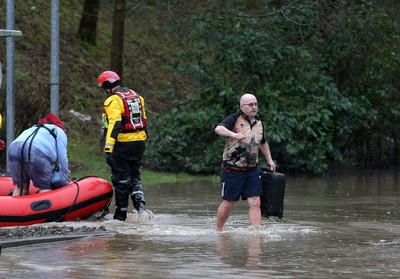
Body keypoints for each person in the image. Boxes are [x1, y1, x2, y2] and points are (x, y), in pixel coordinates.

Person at [214, 93, 276, 232]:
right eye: (250, 105)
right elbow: (218, 129)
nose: (254, 107)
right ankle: (218, 230)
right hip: (232, 168)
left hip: (252, 169)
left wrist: (269, 160)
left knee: (255, 201)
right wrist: (234, 134)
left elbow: (263, 143)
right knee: (229, 202)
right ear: (242, 106)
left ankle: (255, 232)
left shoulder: (259, 123)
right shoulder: (234, 118)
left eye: (256, 104)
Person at [97, 70, 148, 221]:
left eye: (103, 87)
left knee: (121, 179)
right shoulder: (137, 96)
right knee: (135, 176)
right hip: (139, 143)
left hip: (123, 144)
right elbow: (144, 120)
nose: (103, 91)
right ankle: (141, 210)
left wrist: (108, 149)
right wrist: (144, 141)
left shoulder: (112, 100)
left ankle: (120, 216)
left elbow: (115, 124)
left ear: (108, 85)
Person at [7, 113, 70, 196]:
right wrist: (66, 175)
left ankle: (14, 208)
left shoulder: (35, 127)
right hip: (35, 152)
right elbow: (62, 159)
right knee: (45, 187)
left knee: (21, 187)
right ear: (64, 131)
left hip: (13, 148)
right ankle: (47, 208)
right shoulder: (60, 131)